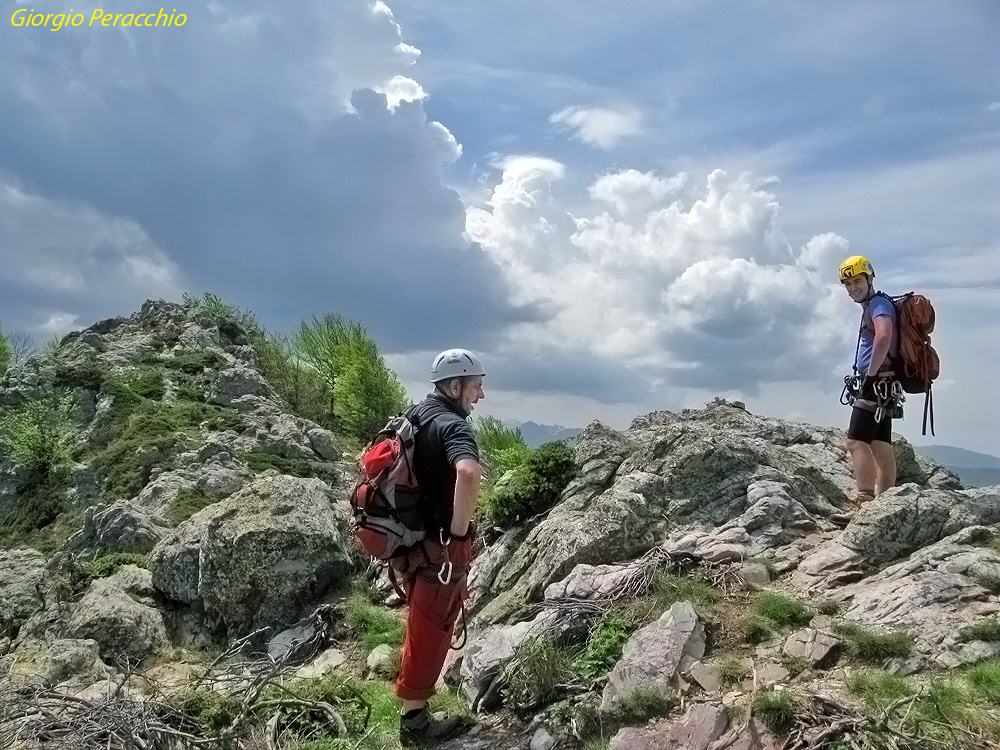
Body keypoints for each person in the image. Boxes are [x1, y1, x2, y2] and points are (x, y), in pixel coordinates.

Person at [394, 348, 485, 747]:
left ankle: (415, 710)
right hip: (440, 545)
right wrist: (459, 531)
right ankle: (415, 725)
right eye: (475, 386)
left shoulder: (417, 414)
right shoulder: (454, 427)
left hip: (411, 540)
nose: (480, 395)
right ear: (454, 385)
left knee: (422, 624)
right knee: (431, 629)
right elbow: (467, 473)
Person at [837, 255, 897, 521]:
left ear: (869, 279)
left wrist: (870, 375)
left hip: (876, 382)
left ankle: (865, 501)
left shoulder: (878, 304)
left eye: (857, 281)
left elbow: (884, 335)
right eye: (847, 284)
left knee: (856, 441)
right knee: (879, 442)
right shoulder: (876, 304)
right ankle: (887, 502)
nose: (853, 288)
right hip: (886, 383)